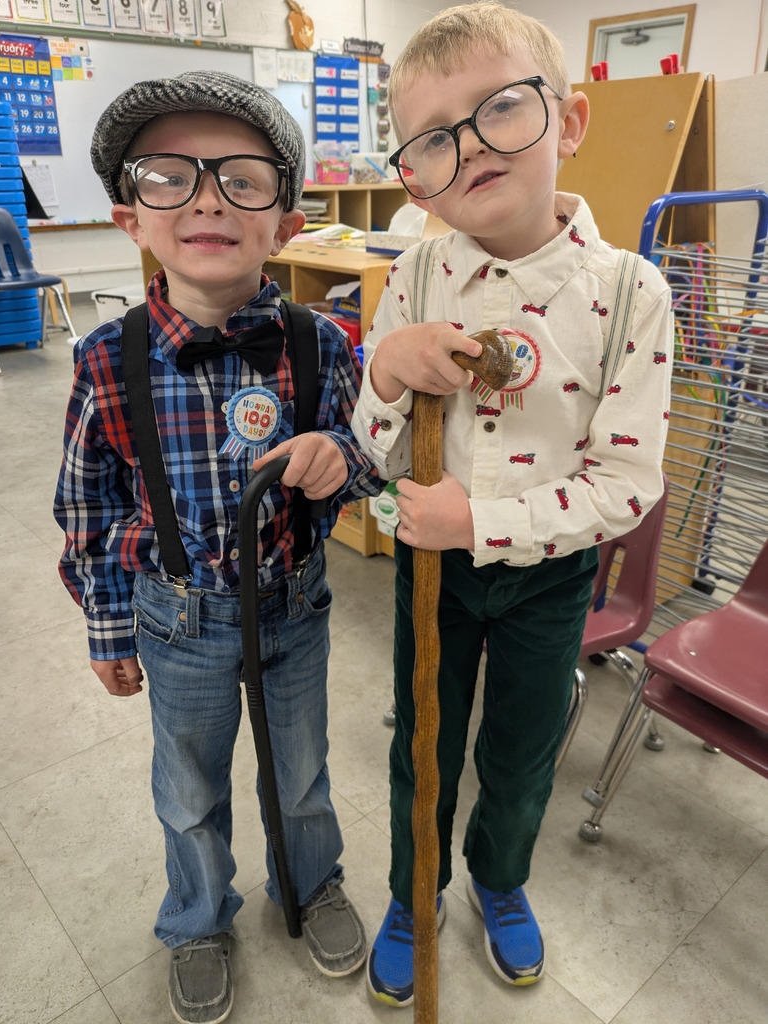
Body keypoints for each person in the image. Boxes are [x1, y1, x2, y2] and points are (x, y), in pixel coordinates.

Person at [351, 2, 673, 1006]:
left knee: (523, 752)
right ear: (413, 172)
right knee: (423, 741)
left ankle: (498, 878)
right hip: (430, 572)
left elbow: (627, 484)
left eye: (499, 109)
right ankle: (414, 890)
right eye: (432, 138)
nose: (470, 148)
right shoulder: (415, 273)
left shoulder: (630, 293)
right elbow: (372, 448)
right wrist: (386, 376)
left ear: (567, 123)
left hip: (549, 576)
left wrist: (481, 524)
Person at [54, 71, 379, 1024]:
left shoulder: (323, 343)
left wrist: (343, 458)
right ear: (131, 218)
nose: (205, 198)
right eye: (169, 176)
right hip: (177, 618)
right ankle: (197, 916)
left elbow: (371, 462)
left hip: (295, 607)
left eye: (241, 178)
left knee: (302, 772)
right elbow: (85, 507)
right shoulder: (105, 360)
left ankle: (310, 880)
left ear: (285, 223)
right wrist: (109, 631)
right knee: (188, 788)